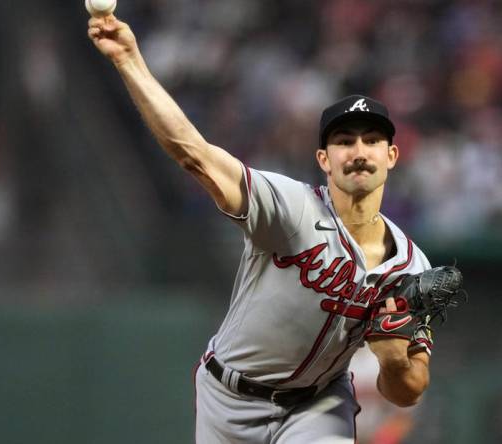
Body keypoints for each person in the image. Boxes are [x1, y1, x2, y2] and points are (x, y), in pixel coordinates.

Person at [88, 14, 442, 444]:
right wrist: (129, 60)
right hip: (230, 396)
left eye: (371, 140)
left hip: (320, 404)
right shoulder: (289, 206)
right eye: (344, 141)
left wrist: (395, 364)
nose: (358, 151)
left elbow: (409, 391)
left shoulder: (412, 267)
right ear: (324, 160)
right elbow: (195, 156)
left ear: (391, 155)